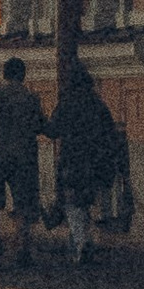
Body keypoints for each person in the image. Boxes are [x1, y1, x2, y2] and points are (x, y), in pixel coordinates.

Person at [0, 57, 45, 263]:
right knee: (23, 201)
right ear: (22, 75)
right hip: (23, 157)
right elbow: (41, 125)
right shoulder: (30, 97)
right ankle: (22, 247)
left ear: (4, 74)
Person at [50, 61, 116, 265]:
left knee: (73, 203)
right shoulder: (98, 104)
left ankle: (81, 243)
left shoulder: (67, 103)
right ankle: (90, 240)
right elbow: (110, 132)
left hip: (72, 159)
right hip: (96, 159)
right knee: (90, 201)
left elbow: (53, 129)